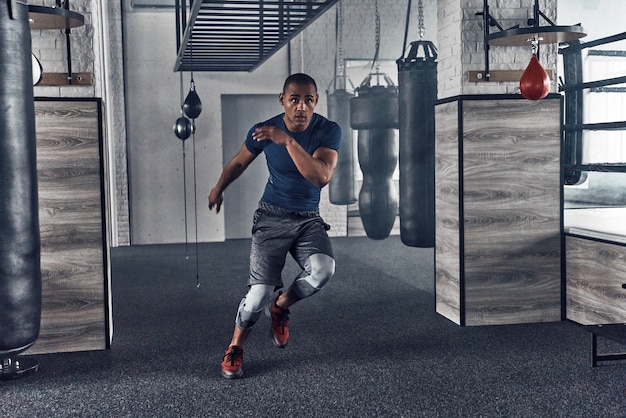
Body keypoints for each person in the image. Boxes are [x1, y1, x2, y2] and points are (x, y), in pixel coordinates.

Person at [208, 73, 341, 379]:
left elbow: (320, 176)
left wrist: (288, 141)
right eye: (294, 99)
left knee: (324, 270)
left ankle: (281, 306)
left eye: (308, 100)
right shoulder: (264, 130)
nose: (301, 107)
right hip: (271, 217)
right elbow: (240, 161)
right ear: (282, 100)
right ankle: (236, 346)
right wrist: (219, 187)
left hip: (307, 219)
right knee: (258, 295)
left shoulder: (328, 130)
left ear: (316, 101)